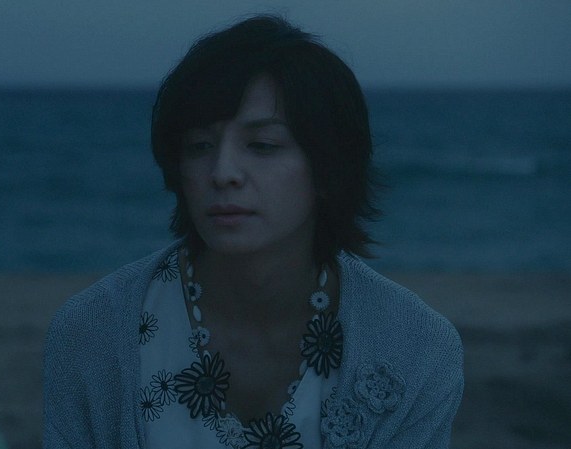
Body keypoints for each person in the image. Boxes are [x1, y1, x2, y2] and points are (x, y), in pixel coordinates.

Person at [43, 15, 463, 449]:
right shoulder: (92, 335)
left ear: (328, 168)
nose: (222, 172)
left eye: (262, 145)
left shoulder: (417, 349)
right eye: (199, 146)